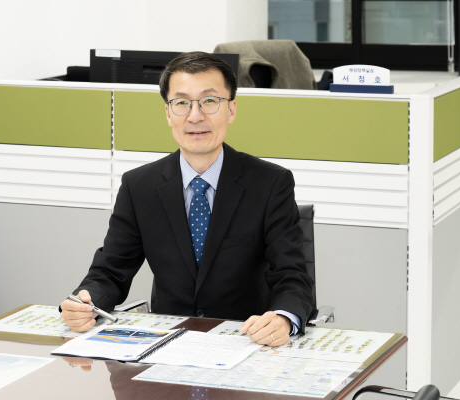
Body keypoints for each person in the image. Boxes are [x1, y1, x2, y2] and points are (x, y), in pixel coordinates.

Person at [60, 51, 314, 346]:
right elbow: (110, 271)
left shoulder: (269, 184)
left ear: (231, 109)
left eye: (209, 101)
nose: (195, 116)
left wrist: (283, 318)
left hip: (246, 342)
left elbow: (292, 276)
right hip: (167, 344)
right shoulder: (139, 186)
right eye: (182, 103)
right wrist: (85, 303)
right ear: (168, 113)